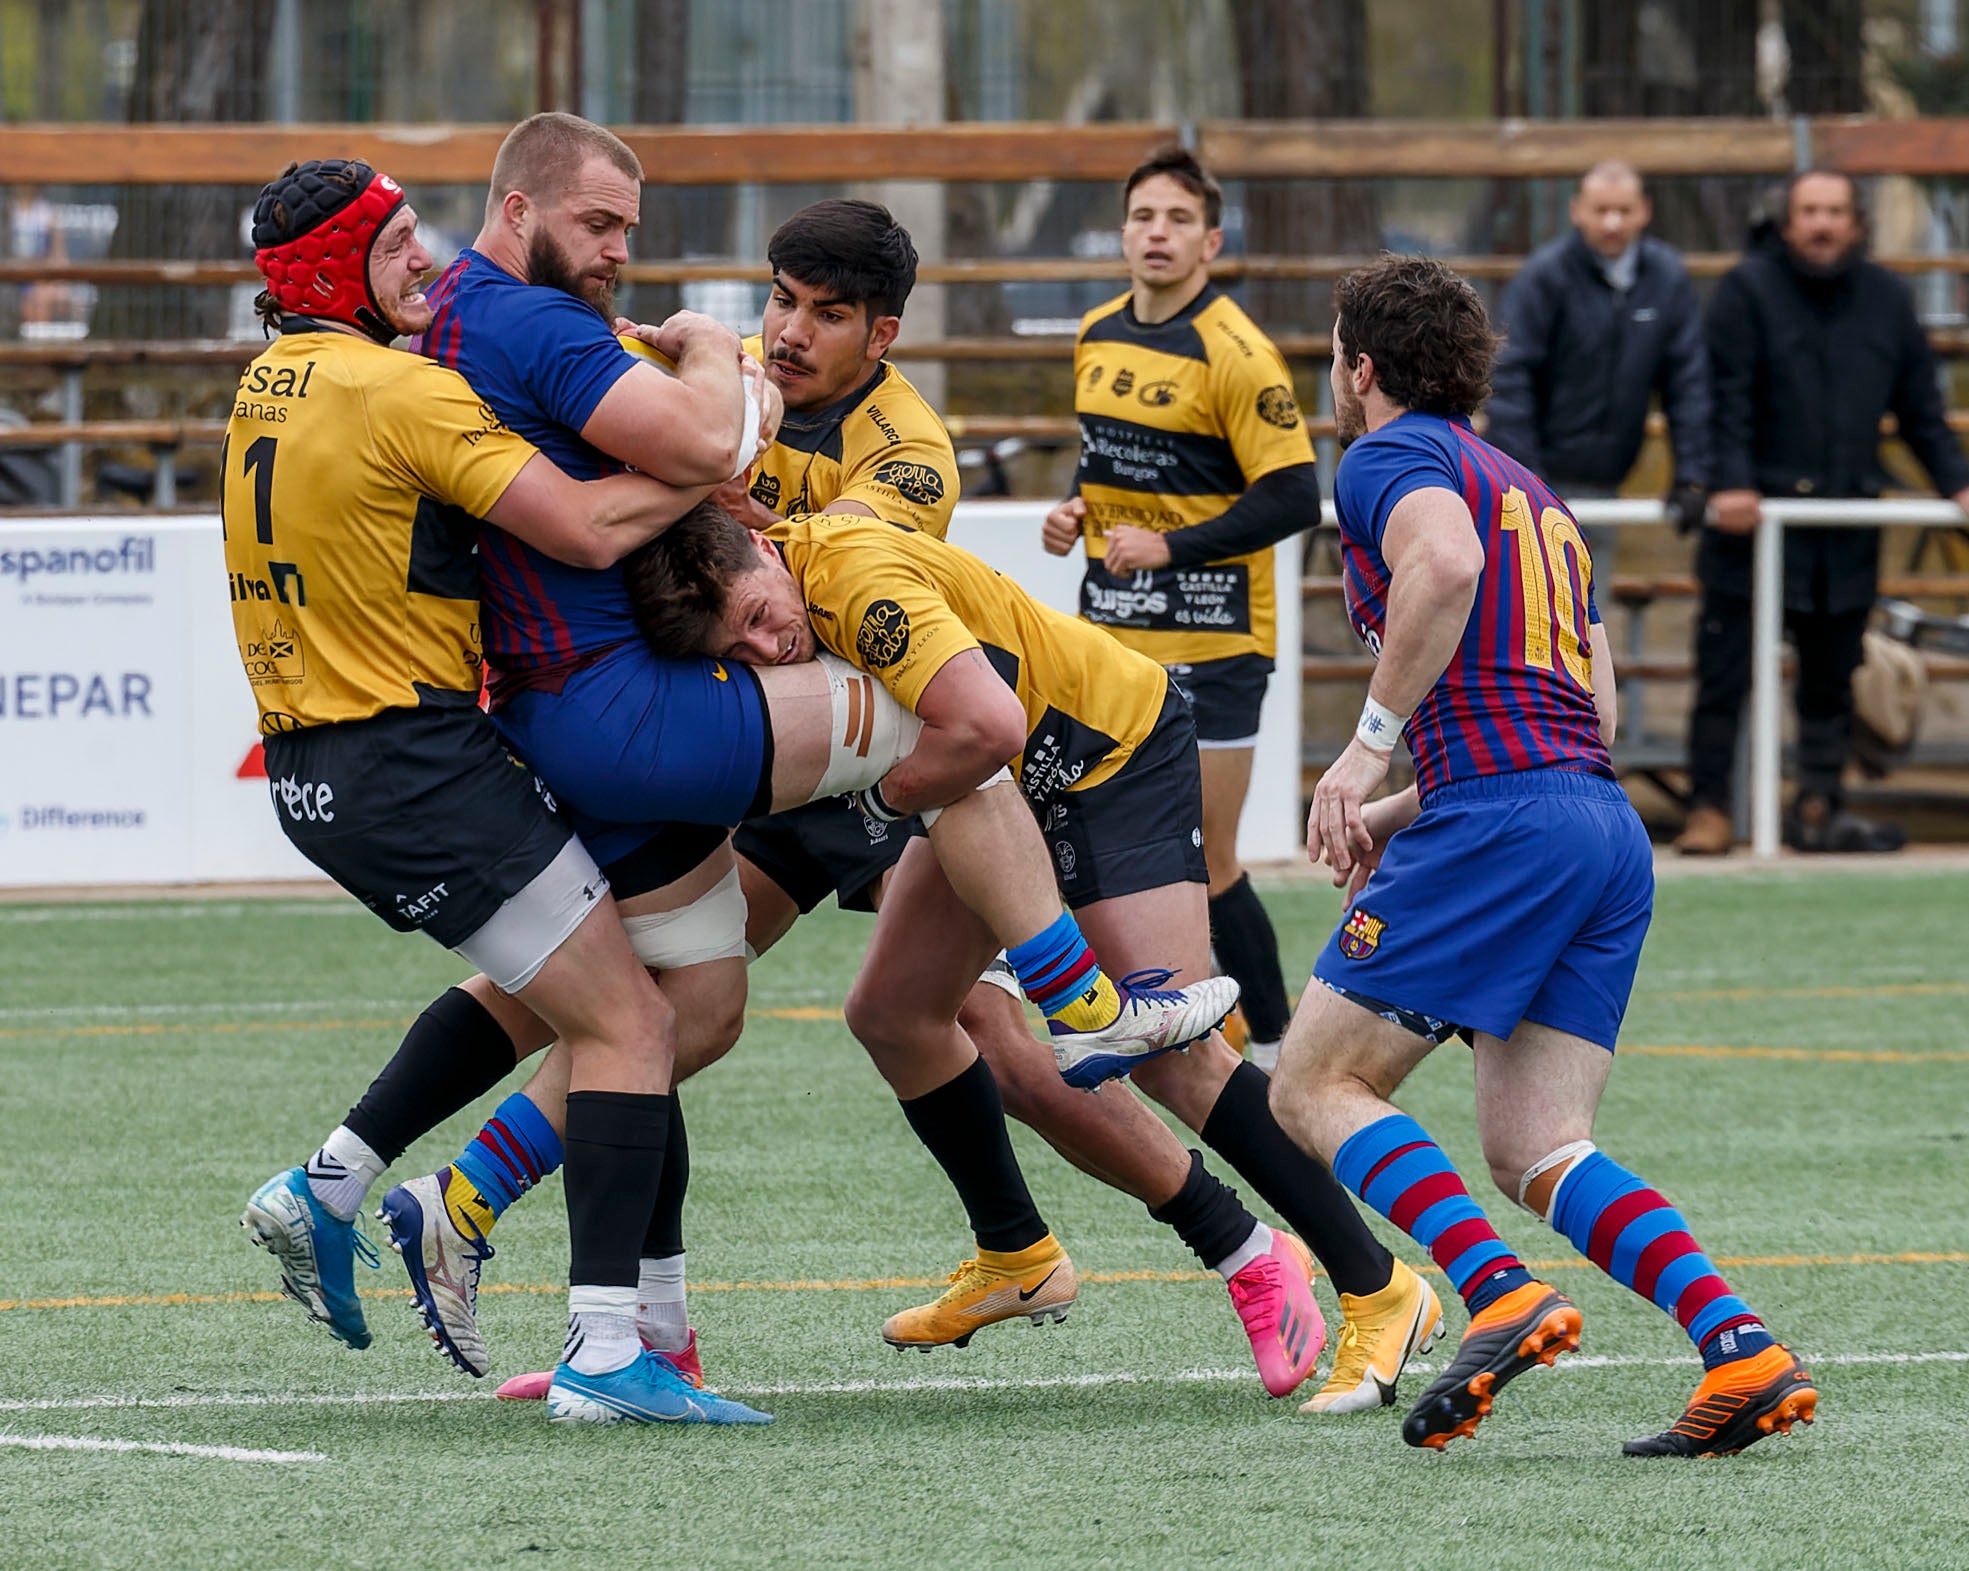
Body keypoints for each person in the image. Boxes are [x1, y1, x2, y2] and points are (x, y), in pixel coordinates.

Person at [255, 119, 1219, 1397]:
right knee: (960, 726)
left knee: (682, 1001)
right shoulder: (523, 328)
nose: (617, 250)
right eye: (599, 223)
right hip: (632, 712)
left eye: (629, 230)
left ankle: (562, 1284)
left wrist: (716, 448)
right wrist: (721, 371)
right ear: (519, 207)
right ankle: (1092, 1018)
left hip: (539, 711)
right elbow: (699, 486)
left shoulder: (392, 350)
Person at [617, 501, 1454, 1414]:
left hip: (1106, 752)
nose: (766, 649)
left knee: (1173, 1057)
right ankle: (1015, 1252)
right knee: (894, 1015)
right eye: (736, 650)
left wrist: (879, 800)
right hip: (989, 788)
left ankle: (1379, 1286)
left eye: (756, 617)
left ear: (765, 547)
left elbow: (989, 727)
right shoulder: (787, 566)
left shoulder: (854, 580)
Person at [226, 157, 771, 1427]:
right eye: (396, 245)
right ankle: (604, 1349)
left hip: (327, 770)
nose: (427, 258)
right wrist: (717, 452)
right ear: (336, 274)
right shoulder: (401, 387)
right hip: (413, 766)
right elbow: (581, 529)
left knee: (595, 991)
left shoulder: (265, 382)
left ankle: (335, 1181)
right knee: (632, 1026)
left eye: (419, 232)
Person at [1265, 254, 1817, 1458]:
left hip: (1506, 820)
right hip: (1595, 823)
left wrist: (1363, 750)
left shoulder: (1386, 458)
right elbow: (1589, 712)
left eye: (1336, 357)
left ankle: (1495, 1289)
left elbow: (1445, 566)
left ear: (1361, 367)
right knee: (1536, 1145)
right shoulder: (1531, 490)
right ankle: (1741, 1348)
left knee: (1309, 1084)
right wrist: (1397, 812)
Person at [1043, 145, 1319, 1074]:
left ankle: (1276, 1055)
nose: (1156, 233)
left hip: (1214, 634)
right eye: (1141, 217)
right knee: (1105, 844)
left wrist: (1171, 546)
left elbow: (1292, 495)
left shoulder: (1236, 351)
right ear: (1122, 233)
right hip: (1111, 634)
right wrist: (1076, 508)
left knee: (1210, 858)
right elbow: (1109, 457)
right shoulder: (1096, 331)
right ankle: (1167, 1027)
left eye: (1176, 219)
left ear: (1211, 242)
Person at [1680, 169, 1969, 855]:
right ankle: (1709, 808)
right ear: (1788, 222)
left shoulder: (1887, 299)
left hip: (1844, 523)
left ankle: (1818, 805)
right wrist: (1729, 484)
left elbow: (1921, 414)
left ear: (1856, 223)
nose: (1821, 224)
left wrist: (1958, 484)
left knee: (1831, 678)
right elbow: (1721, 399)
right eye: (1809, 211)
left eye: (1835, 211)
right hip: (1751, 525)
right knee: (1724, 673)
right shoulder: (1746, 291)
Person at [1486, 160, 1711, 570]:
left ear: (1645, 211)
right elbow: (1511, 380)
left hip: (1608, 481)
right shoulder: (1543, 278)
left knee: (1589, 597)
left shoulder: (1666, 279)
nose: (1612, 223)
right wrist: (1526, 482)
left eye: (1624, 210)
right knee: (1532, 597)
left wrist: (1692, 474)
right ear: (1577, 211)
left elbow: (1687, 382)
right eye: (1601, 209)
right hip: (1538, 481)